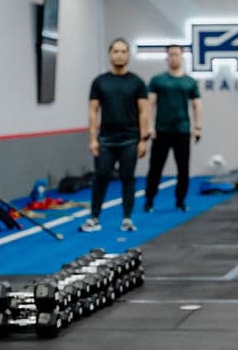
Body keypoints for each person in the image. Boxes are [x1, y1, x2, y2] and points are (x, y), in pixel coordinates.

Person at [80, 37, 150, 233]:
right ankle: (94, 217)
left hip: (130, 139)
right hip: (106, 140)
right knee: (100, 177)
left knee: (128, 178)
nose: (119, 55)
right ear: (110, 55)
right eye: (116, 51)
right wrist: (92, 139)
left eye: (123, 51)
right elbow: (93, 112)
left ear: (128, 55)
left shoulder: (137, 82)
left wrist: (143, 140)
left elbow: (144, 112)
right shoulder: (100, 82)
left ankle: (127, 219)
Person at [144, 44, 203, 212]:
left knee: (183, 169)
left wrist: (198, 127)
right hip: (161, 131)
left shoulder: (189, 82)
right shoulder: (158, 80)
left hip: (182, 131)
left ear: (181, 57)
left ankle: (180, 201)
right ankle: (149, 200)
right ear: (167, 57)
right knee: (155, 168)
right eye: (170, 55)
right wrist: (149, 127)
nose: (173, 58)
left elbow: (197, 105)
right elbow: (150, 104)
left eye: (176, 54)